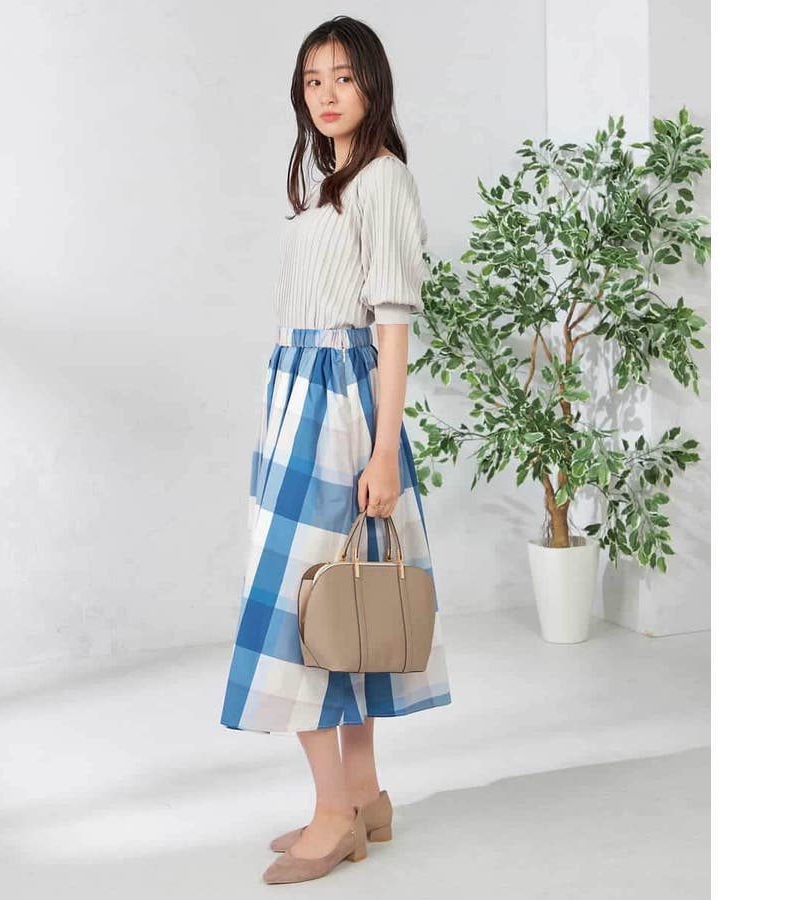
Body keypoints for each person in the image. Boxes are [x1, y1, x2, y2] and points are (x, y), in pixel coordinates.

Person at [218, 15, 453, 884]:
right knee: (341, 602)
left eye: (343, 77)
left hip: (338, 406)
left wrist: (383, 453)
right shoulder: (331, 186)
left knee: (308, 609)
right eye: (312, 79)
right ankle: (364, 795)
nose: (326, 93)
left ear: (372, 86)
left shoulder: (382, 179)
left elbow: (391, 324)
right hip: (300, 399)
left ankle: (333, 813)